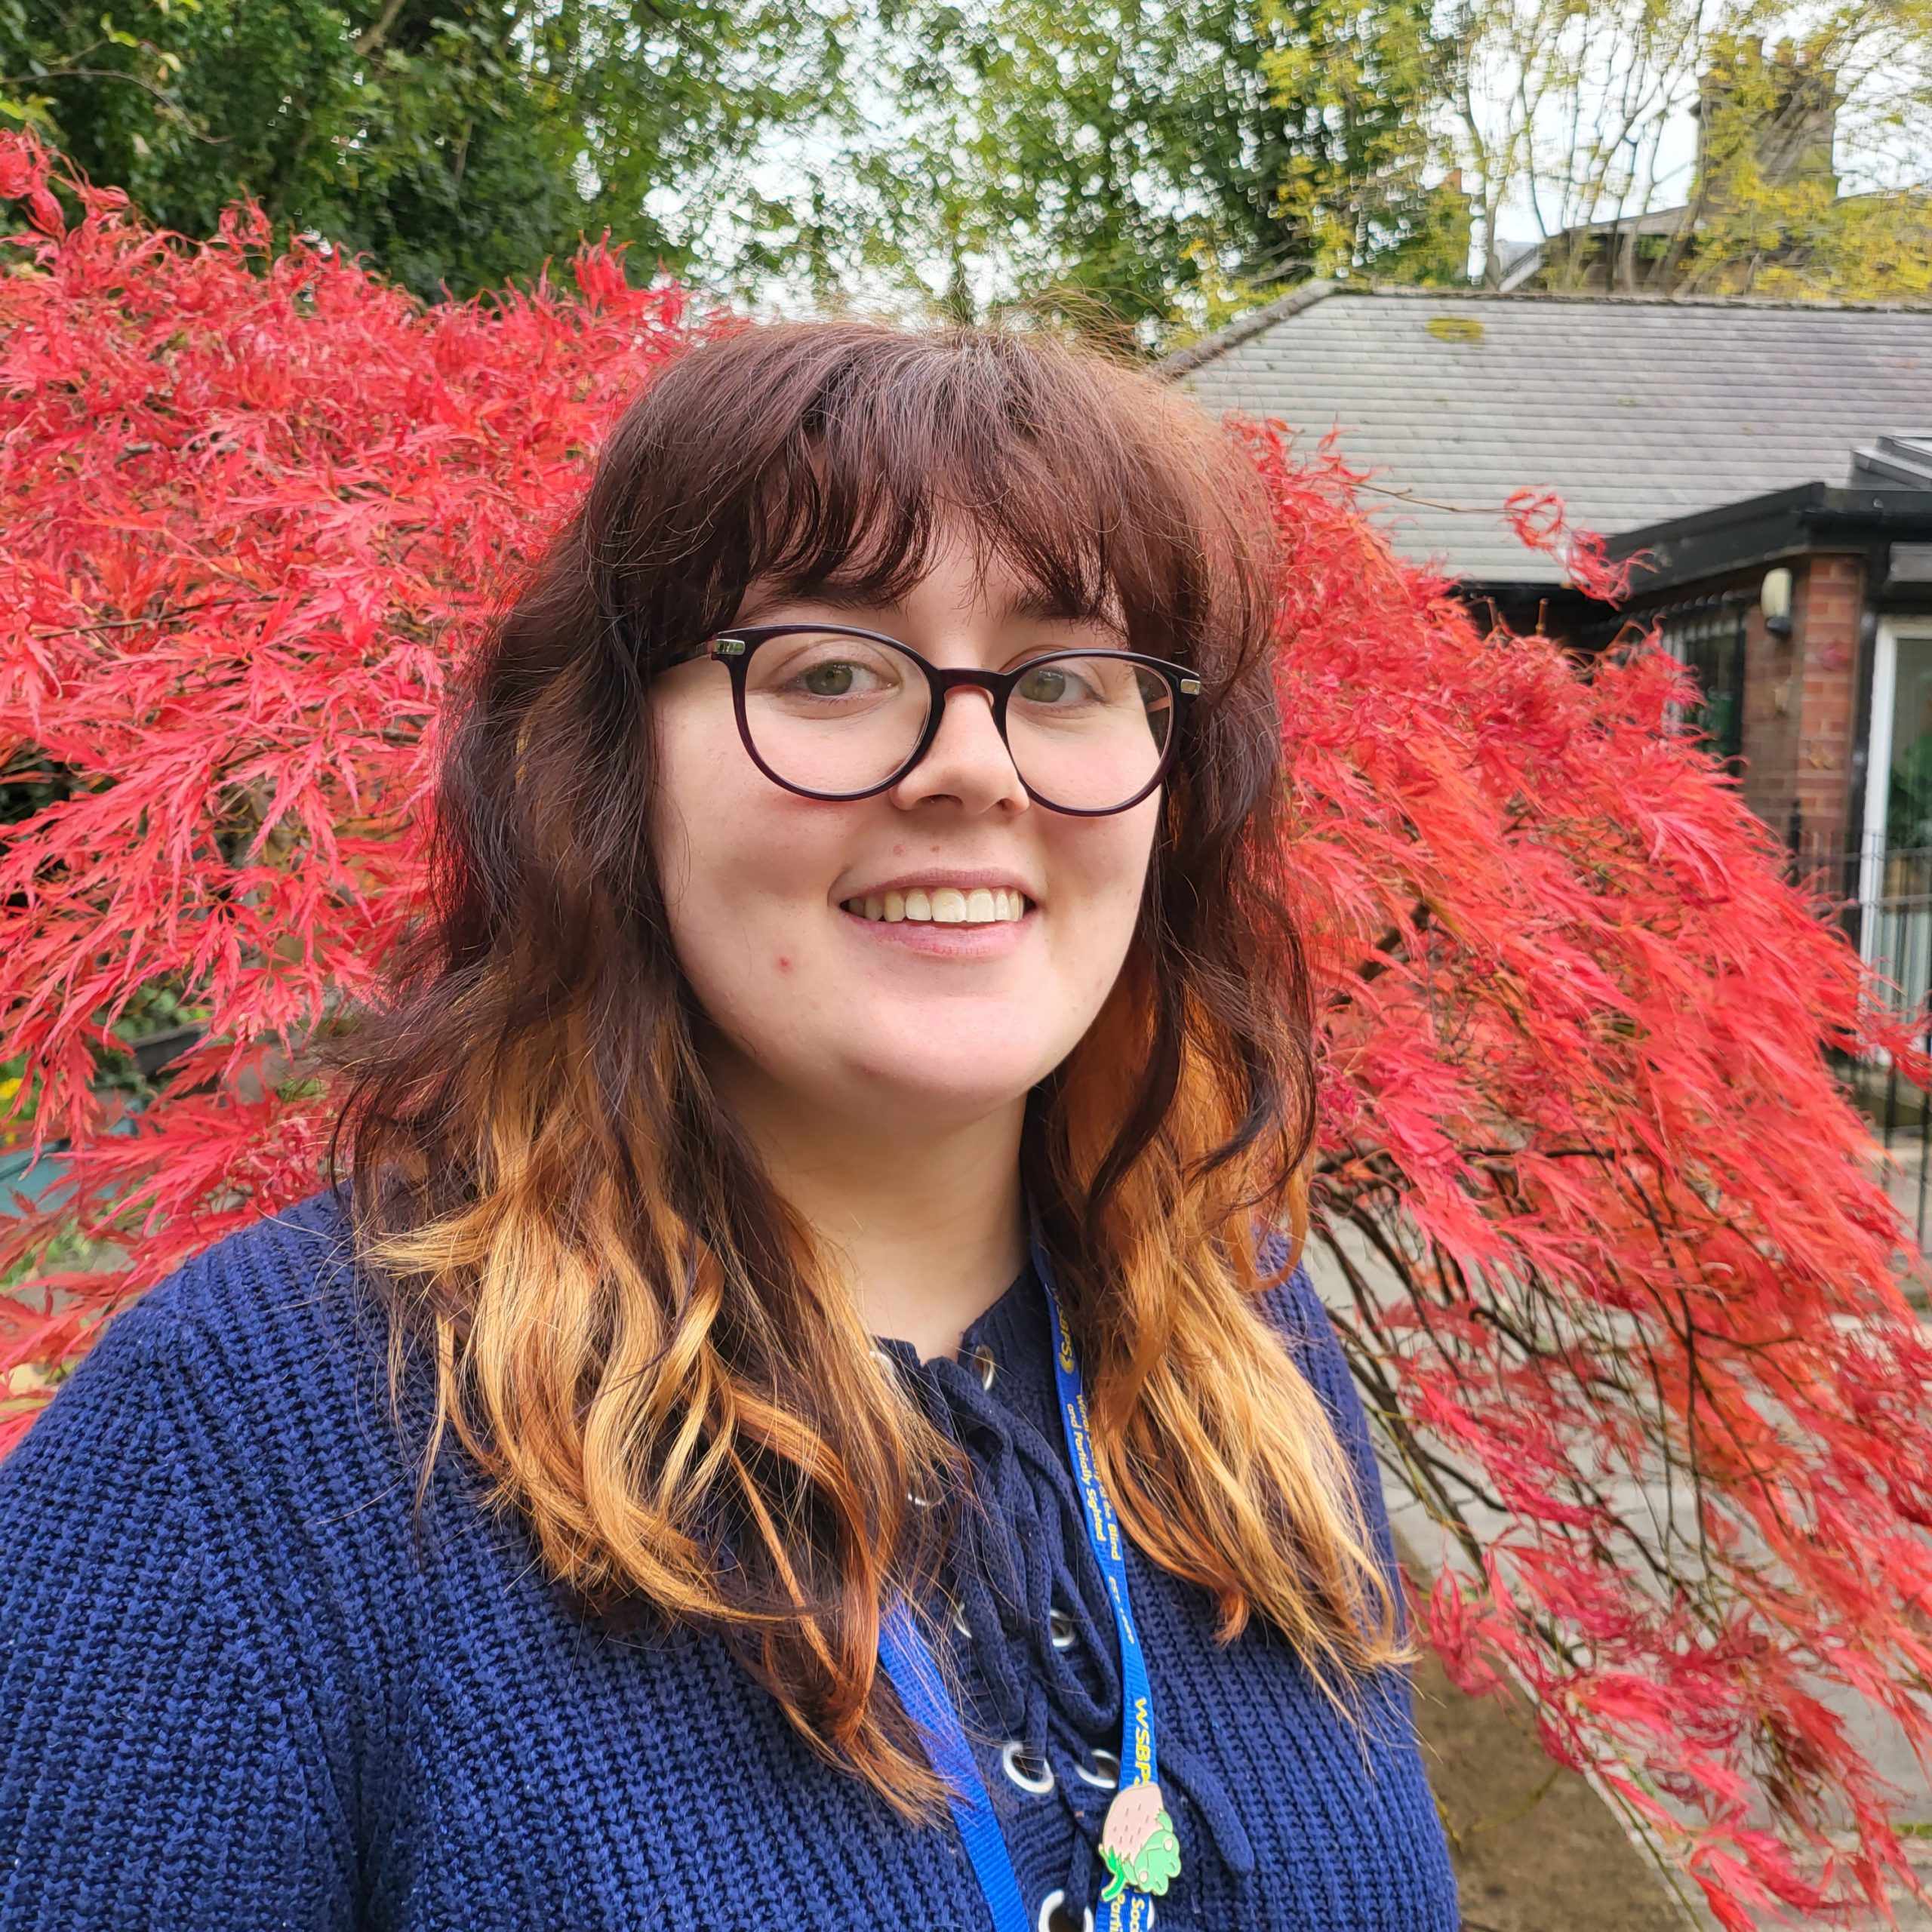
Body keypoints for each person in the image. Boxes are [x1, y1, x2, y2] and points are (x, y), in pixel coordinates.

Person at [0, 321, 1460, 1931]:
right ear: (609, 772)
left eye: (1065, 680)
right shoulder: (241, 1459)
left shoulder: (1241, 1349)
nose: (972, 767)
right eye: (831, 670)